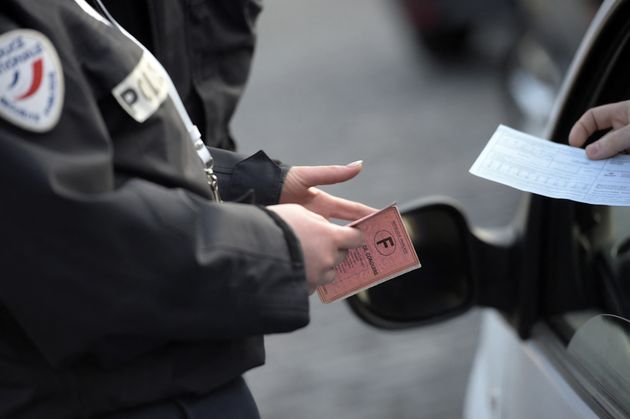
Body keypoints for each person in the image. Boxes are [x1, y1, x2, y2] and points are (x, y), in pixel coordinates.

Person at [0, 1, 374, 418]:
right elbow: (69, 237)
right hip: (111, 394)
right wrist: (277, 248)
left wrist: (249, 186)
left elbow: (111, 144)